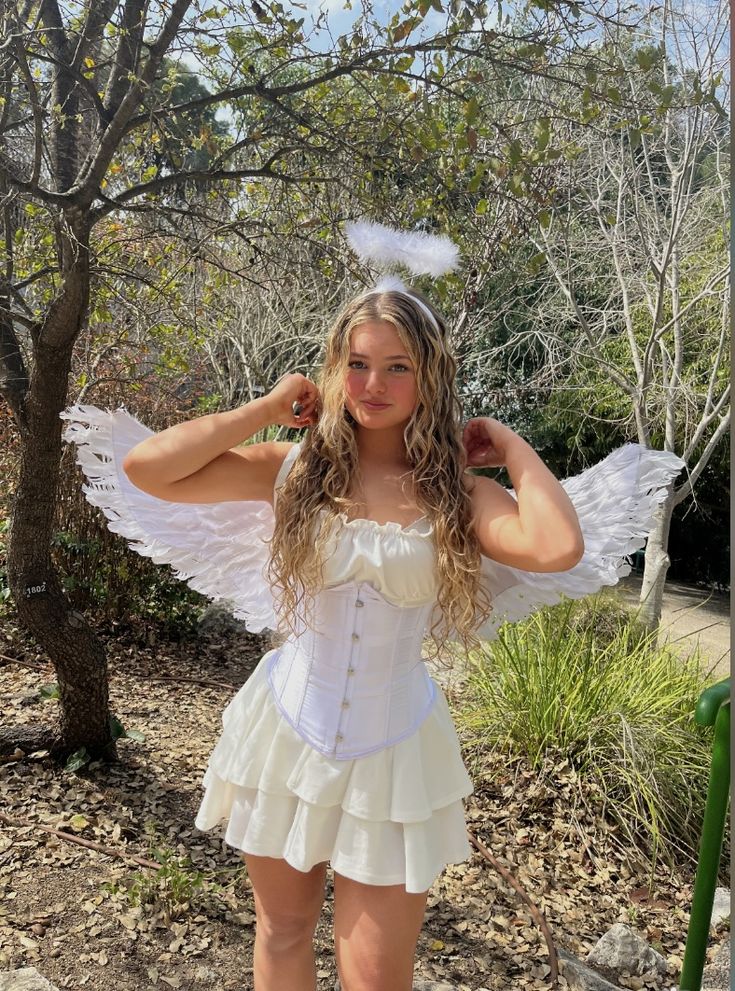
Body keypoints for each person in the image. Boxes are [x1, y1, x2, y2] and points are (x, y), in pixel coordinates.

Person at [62, 229, 684, 991]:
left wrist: (512, 447)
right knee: (283, 932)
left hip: (394, 753)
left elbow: (554, 546)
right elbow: (147, 468)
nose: (372, 383)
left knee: (375, 977)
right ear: (334, 368)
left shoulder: (456, 490)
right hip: (288, 733)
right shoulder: (293, 471)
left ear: (430, 377)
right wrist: (263, 407)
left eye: (397, 366)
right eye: (356, 363)